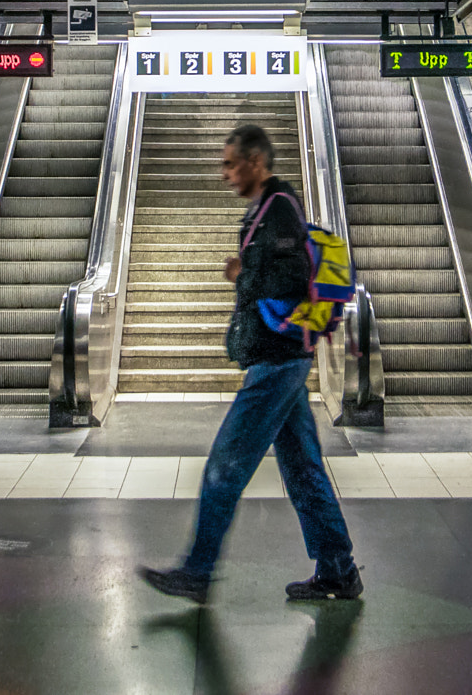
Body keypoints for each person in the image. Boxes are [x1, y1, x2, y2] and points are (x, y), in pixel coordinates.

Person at [139, 123, 362, 605]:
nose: (224, 174)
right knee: (303, 468)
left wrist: (242, 275)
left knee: (225, 464)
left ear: (255, 162)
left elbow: (289, 279)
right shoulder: (265, 211)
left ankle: (197, 572)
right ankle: (339, 571)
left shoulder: (278, 210)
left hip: (278, 361)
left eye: (229, 163)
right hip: (282, 357)